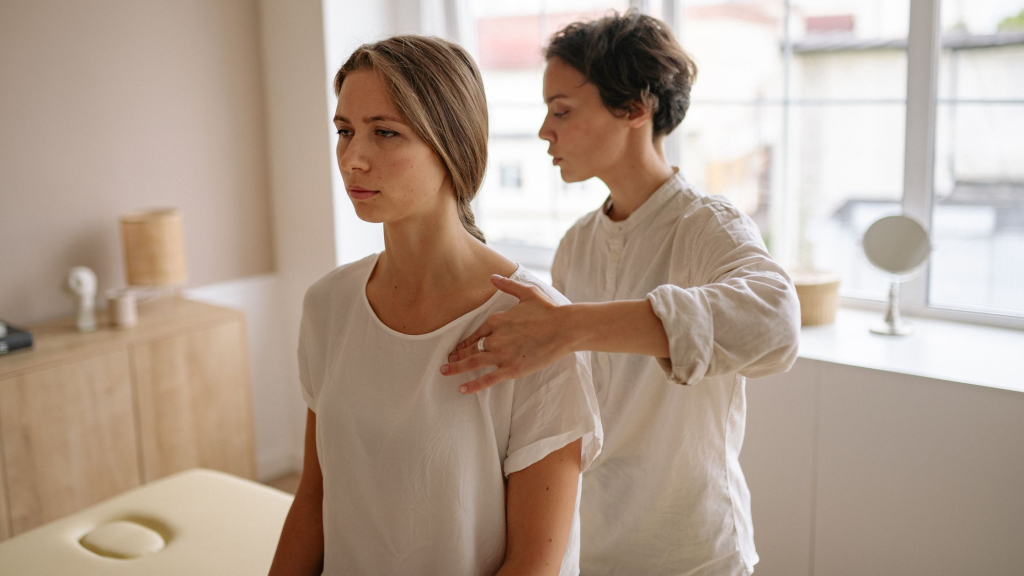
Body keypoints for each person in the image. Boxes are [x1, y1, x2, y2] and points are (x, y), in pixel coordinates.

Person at [440, 10, 801, 576]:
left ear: (635, 108)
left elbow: (776, 323)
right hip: (592, 542)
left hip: (693, 553)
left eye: (562, 110)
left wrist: (570, 325)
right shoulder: (576, 244)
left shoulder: (708, 226)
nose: (544, 130)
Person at [268, 35, 603, 576]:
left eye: (385, 133)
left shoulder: (536, 328)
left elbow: (533, 564)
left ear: (451, 143)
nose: (352, 159)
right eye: (345, 131)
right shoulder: (327, 306)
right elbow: (314, 501)